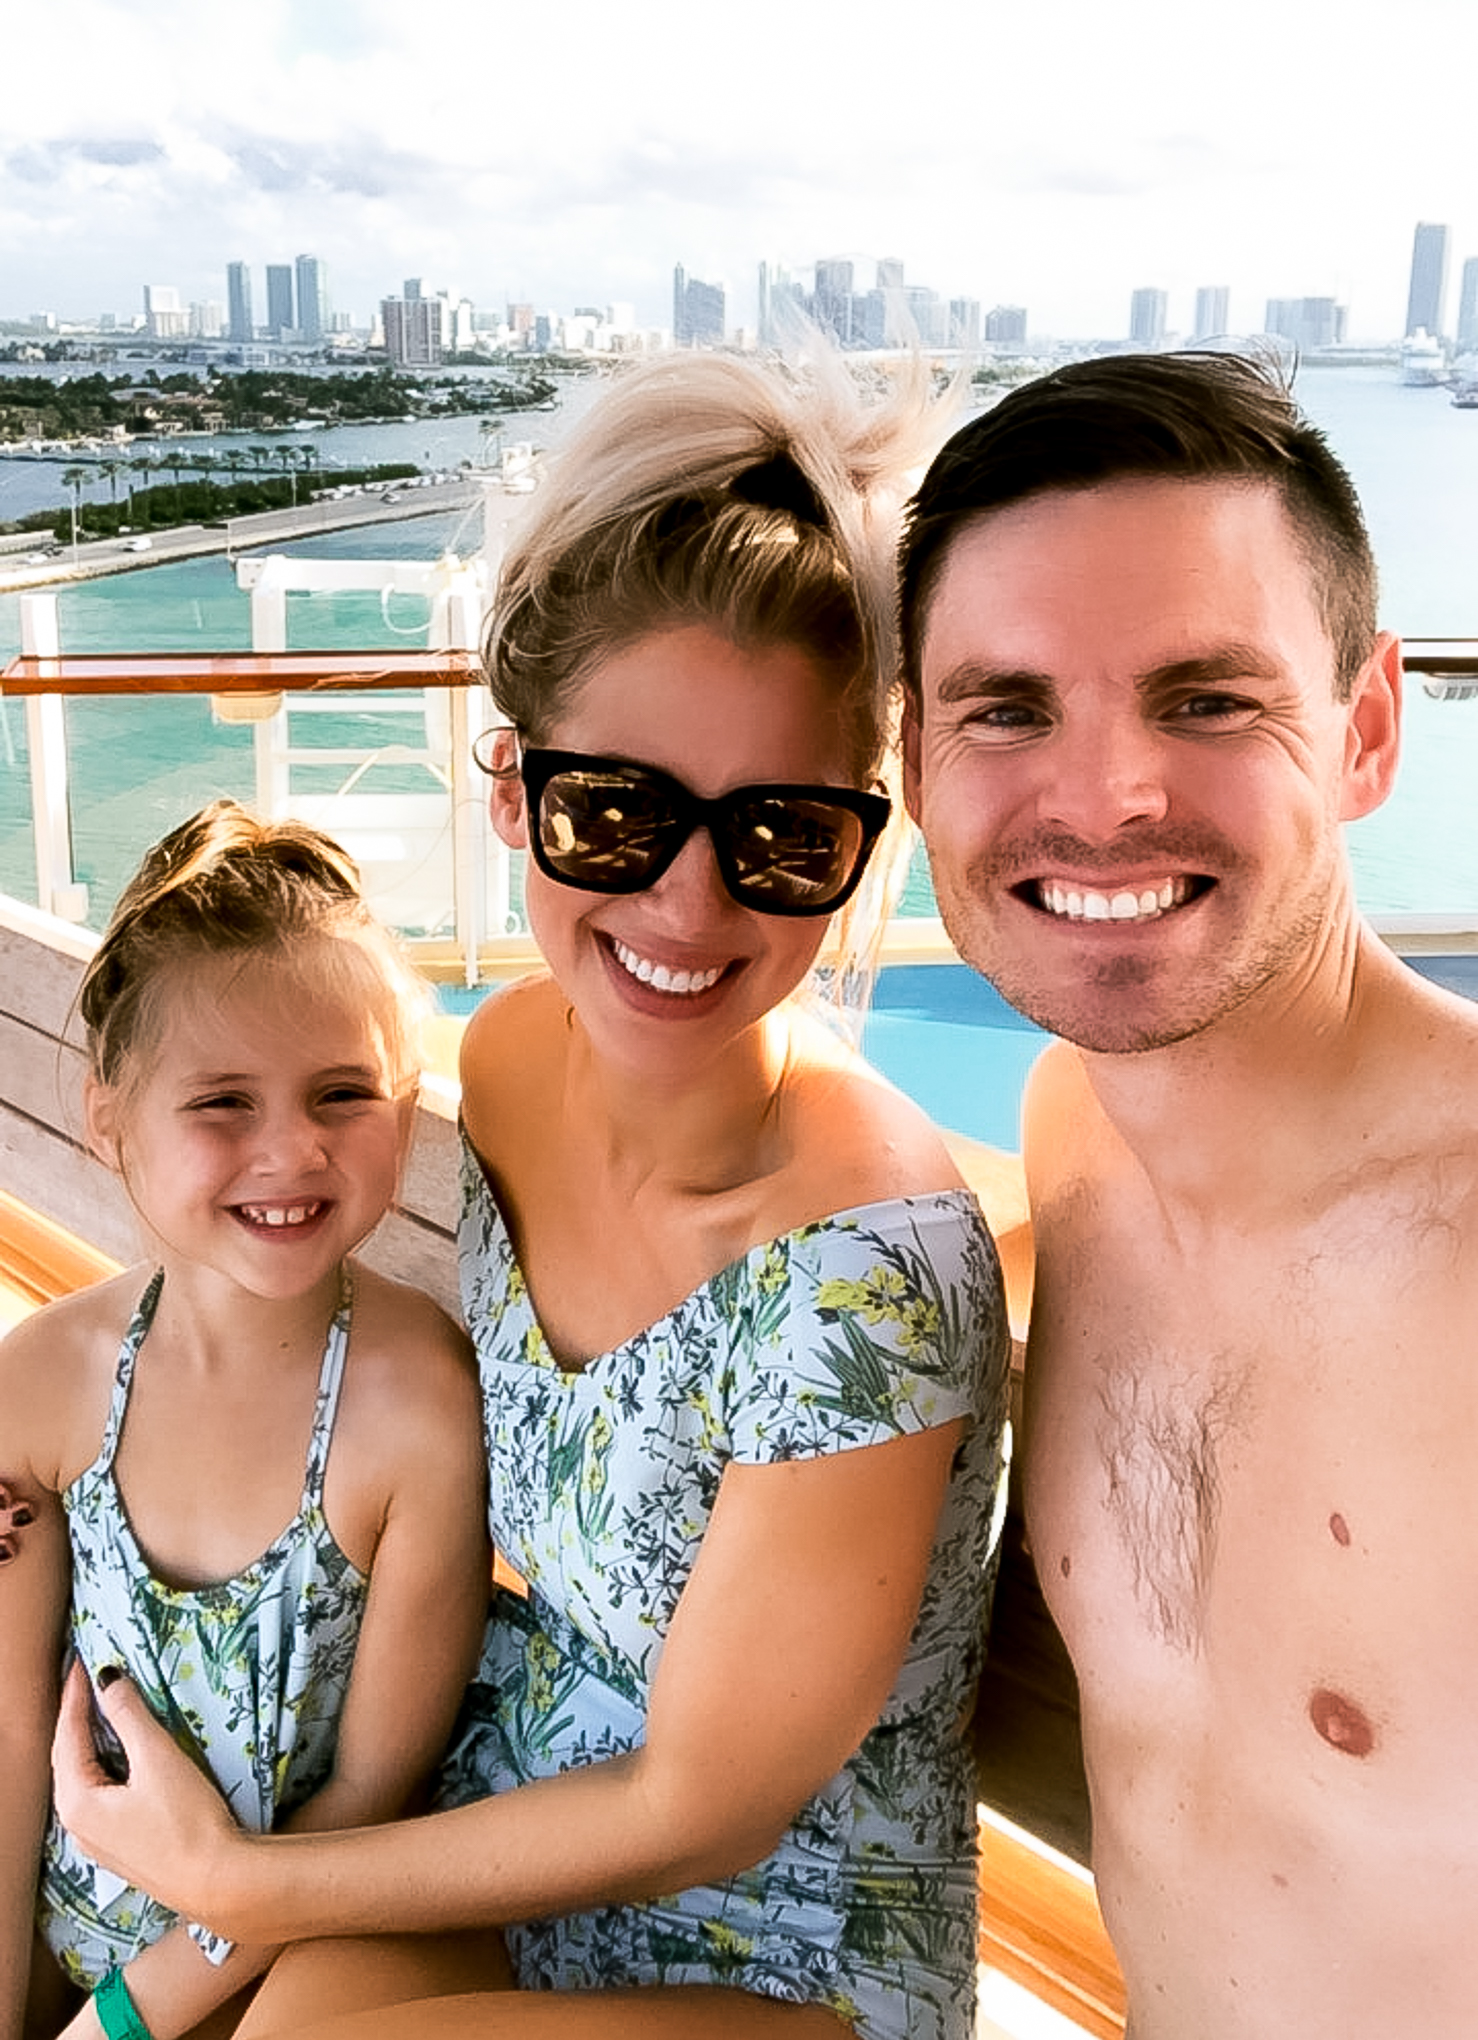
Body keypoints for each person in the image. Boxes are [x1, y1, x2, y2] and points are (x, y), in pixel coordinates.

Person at [51, 354, 1011, 2039]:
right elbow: (266, 1231)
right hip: (515, 1840)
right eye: (614, 813)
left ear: (862, 838)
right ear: (511, 789)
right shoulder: (502, 1065)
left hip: (781, 1945)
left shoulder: (863, 1276)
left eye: (780, 835)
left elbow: (703, 1809)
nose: (688, 904)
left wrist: (247, 1886)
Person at [897, 347, 1478, 2038]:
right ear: (913, 758)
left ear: (1364, 730)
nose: (1102, 800)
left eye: (1206, 700)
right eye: (1005, 709)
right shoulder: (1071, 1130)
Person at [4, 802, 490, 2040]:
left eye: (342, 1093)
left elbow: (371, 1793)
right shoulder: (46, 1383)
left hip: (271, 1974)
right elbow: (10, 1743)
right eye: (223, 1101)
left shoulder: (415, 1406)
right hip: (58, 1953)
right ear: (108, 1116)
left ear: (401, 1107)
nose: (293, 1149)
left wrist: (124, 2020)